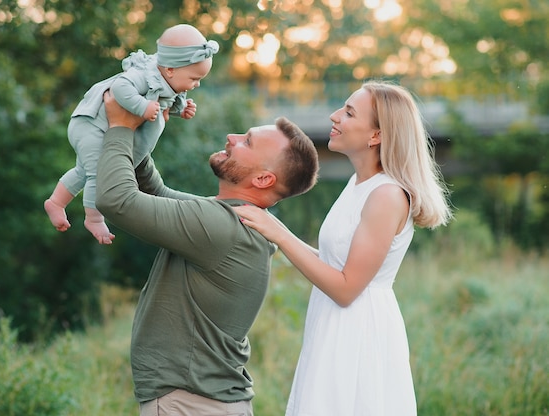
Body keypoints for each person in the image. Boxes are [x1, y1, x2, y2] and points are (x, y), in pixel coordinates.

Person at [234, 80, 453, 416]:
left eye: (349, 112)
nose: (335, 116)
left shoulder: (387, 195)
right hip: (334, 323)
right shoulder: (359, 184)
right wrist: (273, 227)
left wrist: (278, 235)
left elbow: (347, 288)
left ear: (376, 135)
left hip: (359, 331)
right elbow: (336, 264)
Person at [95, 89, 319, 415]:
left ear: (263, 178)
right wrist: (143, 129)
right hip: (206, 403)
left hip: (189, 404)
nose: (232, 137)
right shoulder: (233, 218)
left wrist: (119, 127)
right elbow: (155, 192)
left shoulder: (221, 227)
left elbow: (116, 200)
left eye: (247, 142)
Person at [44, 24, 219, 244]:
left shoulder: (168, 80)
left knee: (83, 170)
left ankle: (56, 202)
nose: (197, 84)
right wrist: (141, 107)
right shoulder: (144, 75)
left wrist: (180, 110)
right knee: (98, 173)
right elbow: (120, 88)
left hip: (100, 130)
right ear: (171, 69)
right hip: (91, 126)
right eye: (194, 78)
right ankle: (94, 218)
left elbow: (165, 101)